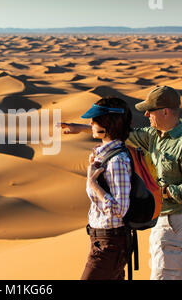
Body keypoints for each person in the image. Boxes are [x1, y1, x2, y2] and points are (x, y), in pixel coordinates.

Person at [59, 86, 182, 280]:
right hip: (161, 219)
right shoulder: (155, 135)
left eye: (151, 110)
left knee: (165, 276)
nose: (146, 114)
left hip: (177, 221)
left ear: (165, 111)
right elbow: (123, 133)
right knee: (161, 273)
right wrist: (82, 129)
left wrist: (166, 192)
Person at [78, 96, 133, 280]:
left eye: (96, 119)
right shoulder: (104, 155)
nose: (91, 122)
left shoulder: (117, 161)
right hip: (101, 242)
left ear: (108, 124)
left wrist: (95, 186)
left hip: (111, 244)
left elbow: (119, 209)